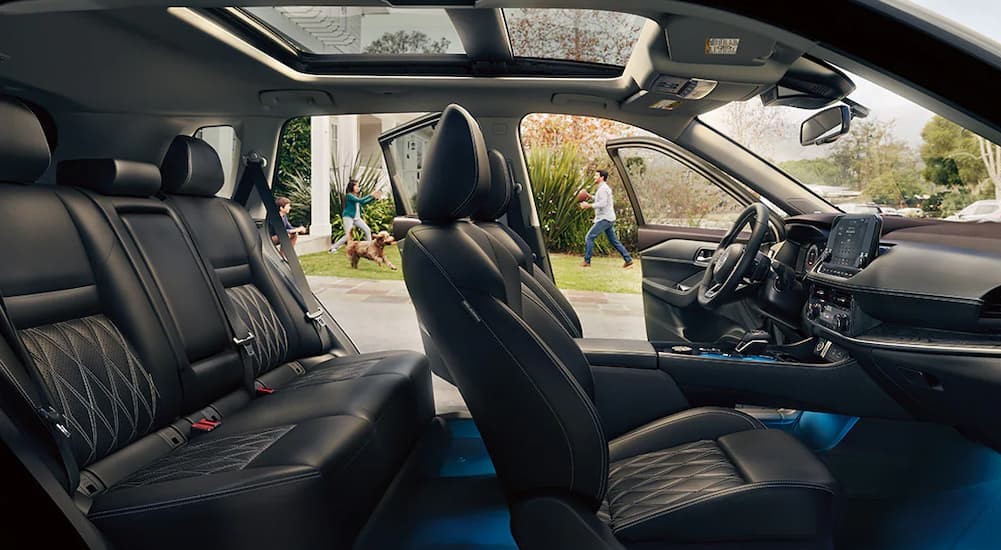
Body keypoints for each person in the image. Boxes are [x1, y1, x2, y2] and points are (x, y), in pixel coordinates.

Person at [578, 169, 633, 268]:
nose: (594, 177)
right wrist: (590, 196)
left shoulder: (603, 189)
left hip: (605, 219)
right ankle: (628, 260)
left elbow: (603, 203)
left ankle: (587, 261)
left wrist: (588, 206)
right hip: (608, 218)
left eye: (596, 176)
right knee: (614, 241)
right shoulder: (603, 188)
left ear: (602, 177)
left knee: (589, 237)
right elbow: (601, 199)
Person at [329, 179, 383, 253]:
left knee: (367, 229)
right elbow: (360, 200)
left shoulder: (355, 196)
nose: (358, 188)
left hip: (356, 218)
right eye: (356, 186)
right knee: (348, 236)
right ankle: (333, 248)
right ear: (352, 187)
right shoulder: (349, 195)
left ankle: (370, 247)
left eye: (358, 186)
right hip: (348, 217)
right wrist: (371, 195)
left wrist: (373, 198)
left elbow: (363, 202)